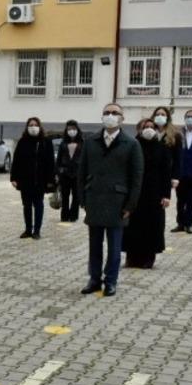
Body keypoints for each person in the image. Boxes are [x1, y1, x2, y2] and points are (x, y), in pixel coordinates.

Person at [77, 103, 143, 296]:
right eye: (107, 112)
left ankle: (111, 281)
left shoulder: (131, 144)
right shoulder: (91, 141)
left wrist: (131, 204)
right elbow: (82, 172)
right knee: (94, 245)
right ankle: (94, 279)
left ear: (122, 119)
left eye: (115, 113)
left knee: (114, 247)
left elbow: (136, 177)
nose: (110, 116)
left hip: (118, 203)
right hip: (95, 200)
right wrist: (82, 198)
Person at [123, 117, 172, 269]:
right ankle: (131, 258)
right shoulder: (132, 145)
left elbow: (166, 172)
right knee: (133, 226)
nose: (149, 129)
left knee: (152, 226)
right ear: (139, 129)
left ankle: (148, 258)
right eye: (146, 126)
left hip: (154, 193)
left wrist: (166, 195)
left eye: (152, 126)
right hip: (135, 193)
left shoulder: (161, 147)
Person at [10, 116, 56, 240]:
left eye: (35, 125)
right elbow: (16, 161)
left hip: (40, 180)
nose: (33, 127)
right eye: (30, 125)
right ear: (27, 127)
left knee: (38, 205)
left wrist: (50, 180)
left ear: (40, 126)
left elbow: (51, 162)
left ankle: (37, 230)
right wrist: (13, 177)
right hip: (25, 180)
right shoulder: (23, 141)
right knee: (27, 205)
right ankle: (28, 229)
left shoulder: (46, 142)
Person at [55, 119, 83, 223]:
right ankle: (64, 215)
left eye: (74, 129)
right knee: (65, 195)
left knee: (76, 196)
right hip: (65, 173)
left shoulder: (82, 142)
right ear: (66, 130)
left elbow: (85, 159)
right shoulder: (63, 143)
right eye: (69, 129)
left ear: (77, 129)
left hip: (77, 174)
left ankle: (73, 216)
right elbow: (58, 160)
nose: (71, 131)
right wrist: (58, 172)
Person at [151, 106, 182, 196]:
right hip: (149, 172)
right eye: (157, 114)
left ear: (167, 117)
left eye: (163, 114)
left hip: (165, 173)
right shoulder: (149, 131)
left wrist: (175, 177)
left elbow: (178, 158)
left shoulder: (175, 135)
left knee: (162, 200)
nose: (160, 116)